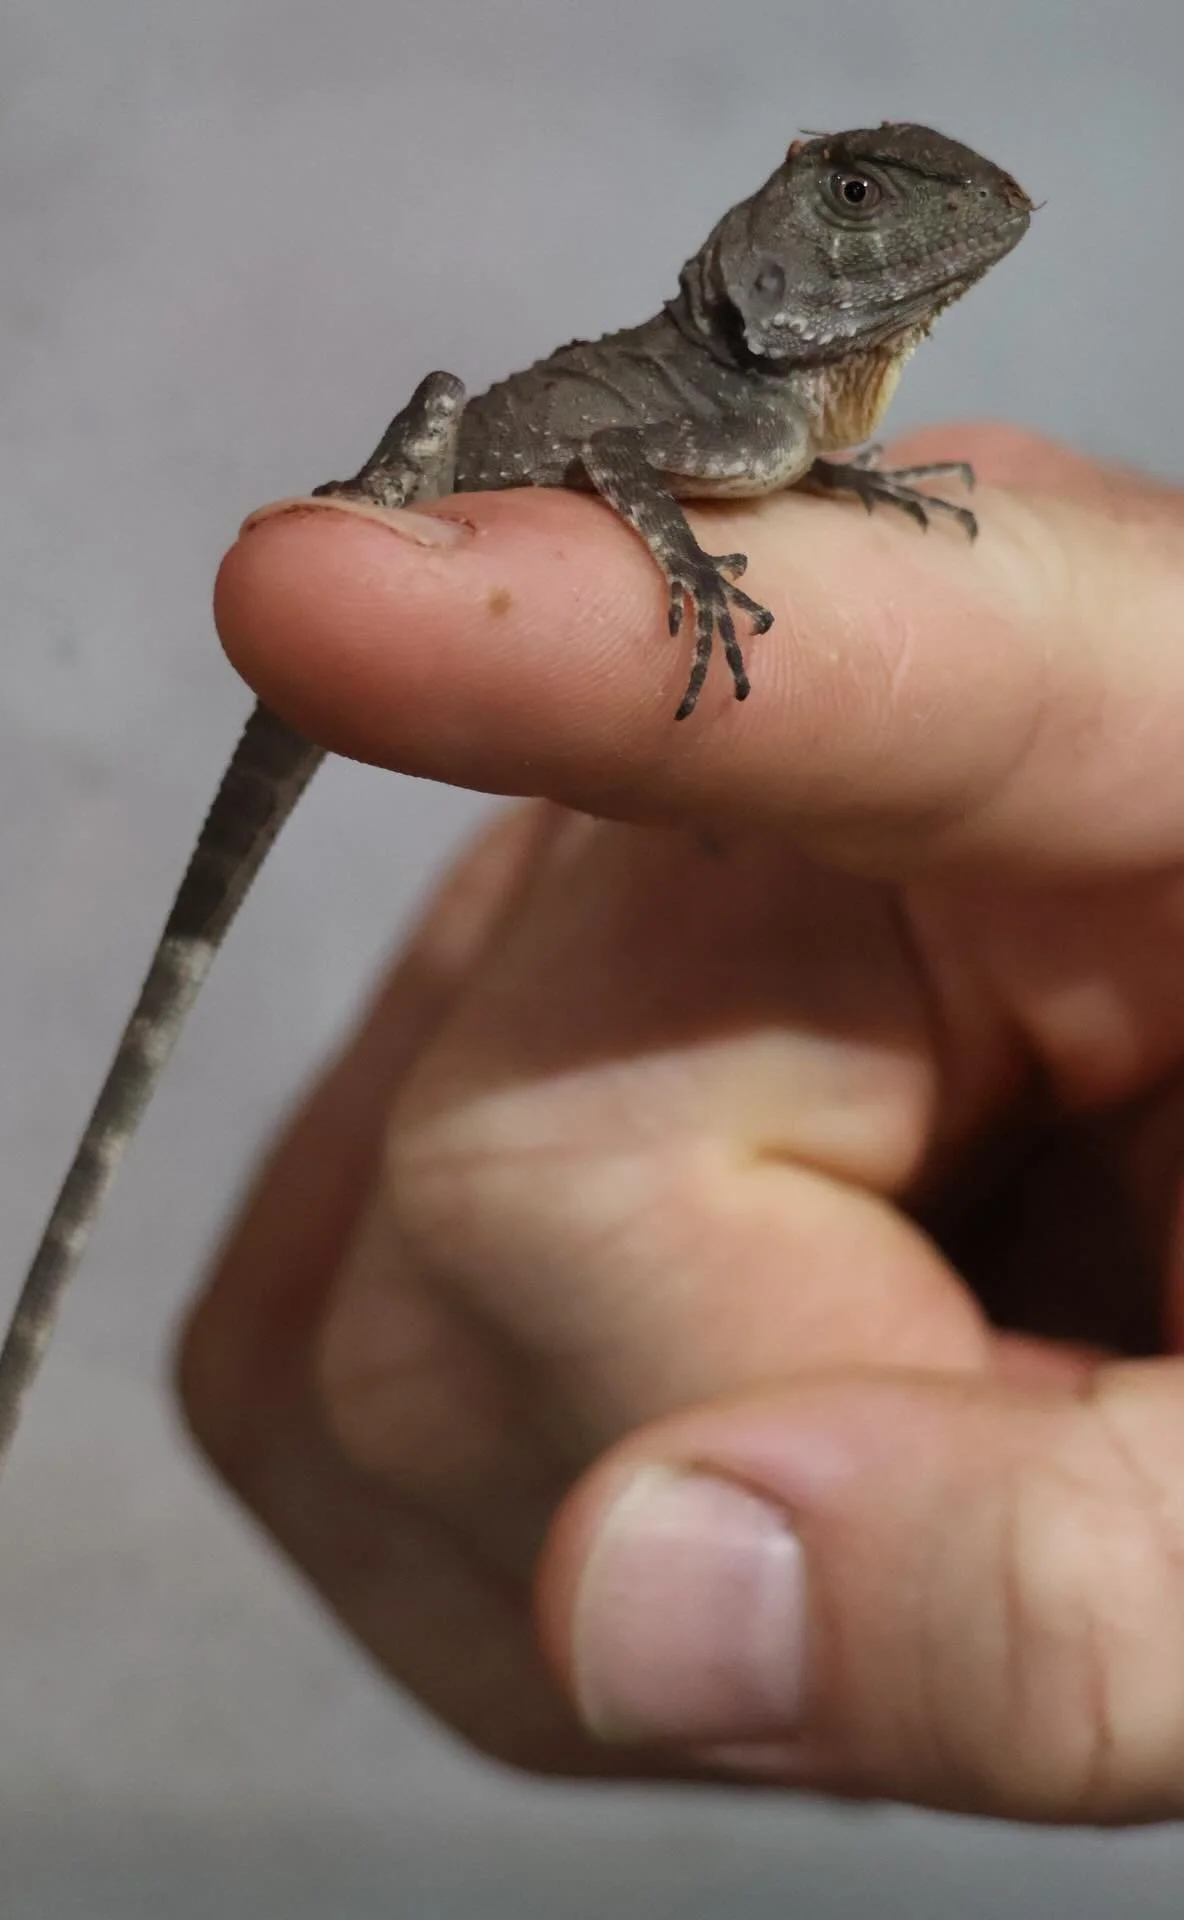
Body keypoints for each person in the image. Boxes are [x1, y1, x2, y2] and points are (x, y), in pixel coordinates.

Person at [179, 423, 1184, 1825]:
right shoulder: (707, 406)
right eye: (851, 188)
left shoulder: (772, 426)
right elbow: (622, 456)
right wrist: (686, 572)